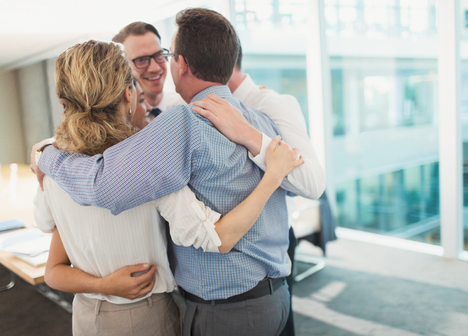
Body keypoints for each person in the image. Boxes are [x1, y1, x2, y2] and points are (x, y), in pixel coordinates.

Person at [33, 40, 303, 335]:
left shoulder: (53, 169)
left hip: (85, 316)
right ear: (128, 94)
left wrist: (45, 153)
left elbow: (50, 251)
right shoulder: (148, 170)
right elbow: (218, 238)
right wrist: (272, 176)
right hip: (145, 316)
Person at [192, 43, 326, 336]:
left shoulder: (271, 103)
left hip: (269, 252)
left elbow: (313, 182)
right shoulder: (193, 108)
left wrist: (247, 134)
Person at [112, 21, 184, 116]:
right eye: (141, 60)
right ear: (123, 68)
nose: (155, 68)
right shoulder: (121, 123)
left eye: (158, 55)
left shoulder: (186, 106)